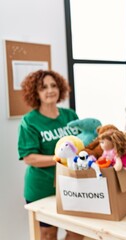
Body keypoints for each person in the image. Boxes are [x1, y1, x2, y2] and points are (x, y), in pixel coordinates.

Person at [18, 70, 84, 240]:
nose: (50, 90)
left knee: (77, 232)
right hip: (41, 188)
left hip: (71, 185)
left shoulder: (70, 115)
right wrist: (61, 158)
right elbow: (29, 158)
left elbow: (82, 144)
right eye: (43, 87)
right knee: (48, 235)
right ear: (35, 92)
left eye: (53, 85)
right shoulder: (29, 121)